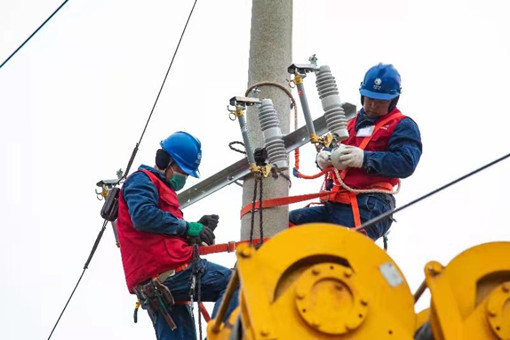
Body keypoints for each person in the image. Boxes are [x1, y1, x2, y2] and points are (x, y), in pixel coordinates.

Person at [116, 131, 238, 339]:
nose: (185, 178)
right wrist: (186, 227)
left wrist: (194, 230)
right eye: (183, 171)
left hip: (161, 287)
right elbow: (143, 216)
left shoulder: (161, 188)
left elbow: (161, 235)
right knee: (238, 283)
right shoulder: (141, 181)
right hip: (169, 275)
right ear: (165, 161)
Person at [289, 63, 422, 240]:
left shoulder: (402, 125)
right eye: (369, 99)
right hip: (334, 203)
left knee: (338, 249)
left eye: (380, 101)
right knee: (286, 227)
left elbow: (406, 163)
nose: (373, 105)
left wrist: (364, 159)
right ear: (362, 96)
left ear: (393, 101)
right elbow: (330, 148)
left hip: (369, 205)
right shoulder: (348, 124)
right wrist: (323, 158)